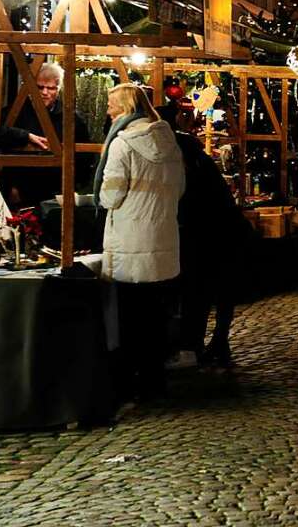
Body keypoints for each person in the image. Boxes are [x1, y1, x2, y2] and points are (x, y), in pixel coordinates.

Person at [95, 84, 184, 400]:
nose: (107, 110)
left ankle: (132, 383)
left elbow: (111, 195)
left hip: (131, 244)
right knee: (156, 316)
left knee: (131, 317)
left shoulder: (123, 144)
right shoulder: (169, 141)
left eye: (110, 104)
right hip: (163, 239)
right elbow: (180, 188)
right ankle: (154, 379)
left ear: (123, 108)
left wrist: (101, 197)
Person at [160, 103, 249, 369]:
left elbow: (190, 199)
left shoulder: (181, 155)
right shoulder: (194, 154)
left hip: (211, 232)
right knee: (219, 290)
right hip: (223, 229)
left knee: (198, 290)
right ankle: (217, 342)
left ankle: (194, 347)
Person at [0, 62, 87, 206]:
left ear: (58, 89)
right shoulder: (14, 113)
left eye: (51, 88)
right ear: (29, 87)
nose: (45, 92)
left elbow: (84, 158)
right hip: (18, 191)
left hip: (55, 192)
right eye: (40, 87)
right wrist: (10, 186)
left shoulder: (72, 119)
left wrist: (73, 187)